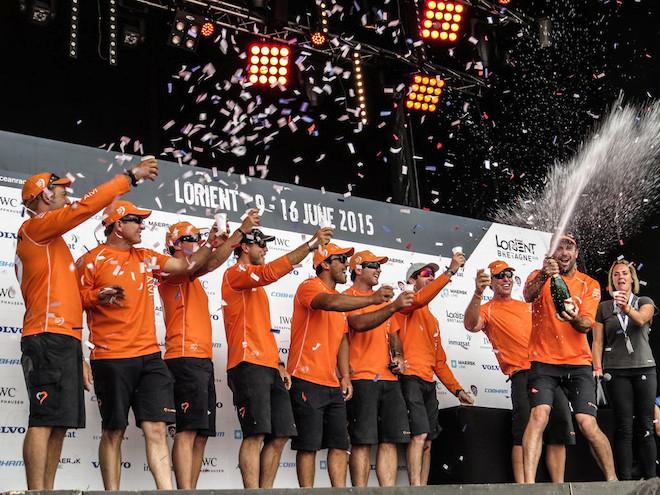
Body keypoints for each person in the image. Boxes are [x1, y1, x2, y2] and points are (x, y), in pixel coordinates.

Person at [15, 159, 158, 490]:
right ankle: (37, 492)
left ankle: (46, 490)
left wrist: (96, 297)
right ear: (43, 196)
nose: (67, 192)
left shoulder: (53, 242)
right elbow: (84, 208)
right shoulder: (36, 228)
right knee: (44, 419)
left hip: (63, 338)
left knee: (59, 422)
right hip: (45, 336)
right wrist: (129, 178)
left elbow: (69, 298)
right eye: (61, 188)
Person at [76, 200, 215, 490]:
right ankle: (112, 492)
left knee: (157, 428)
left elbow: (185, 264)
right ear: (118, 225)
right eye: (137, 220)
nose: (143, 226)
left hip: (150, 357)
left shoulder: (145, 257)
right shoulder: (89, 261)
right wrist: (96, 299)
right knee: (113, 430)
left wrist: (211, 244)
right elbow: (72, 305)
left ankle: (166, 491)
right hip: (110, 357)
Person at [222, 225, 333, 489]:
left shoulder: (256, 286)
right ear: (244, 247)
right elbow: (271, 271)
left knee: (281, 434)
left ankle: (265, 491)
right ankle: (252, 492)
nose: (265, 249)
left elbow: (262, 329)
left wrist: (279, 365)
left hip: (269, 366)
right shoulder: (234, 274)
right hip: (247, 363)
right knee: (255, 433)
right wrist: (310, 245)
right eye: (260, 243)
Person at [159, 210, 259, 489]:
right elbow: (208, 263)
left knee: (200, 433)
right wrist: (237, 233)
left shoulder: (193, 276)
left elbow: (210, 261)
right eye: (193, 238)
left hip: (201, 359)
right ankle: (184, 491)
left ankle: (190, 487)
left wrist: (220, 241)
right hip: (183, 357)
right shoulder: (171, 270)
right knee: (187, 430)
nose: (199, 241)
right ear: (177, 244)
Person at [288, 243, 394, 488]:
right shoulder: (309, 287)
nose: (346, 264)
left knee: (339, 444)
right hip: (305, 376)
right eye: (341, 260)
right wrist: (372, 297)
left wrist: (345, 376)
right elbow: (330, 303)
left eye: (347, 260)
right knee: (309, 445)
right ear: (324, 263)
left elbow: (342, 339)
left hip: (331, 382)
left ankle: (339, 492)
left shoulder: (342, 301)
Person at [463, 260, 575, 483]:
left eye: (508, 275)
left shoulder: (527, 305)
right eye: (500, 276)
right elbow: (471, 325)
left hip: (550, 372)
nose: (506, 279)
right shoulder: (487, 309)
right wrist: (477, 293)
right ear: (492, 282)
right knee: (523, 435)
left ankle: (559, 487)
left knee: (558, 433)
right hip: (522, 375)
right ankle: (524, 487)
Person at [521, 234, 616, 483]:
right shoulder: (537, 275)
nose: (564, 252)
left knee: (587, 424)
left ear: (576, 253)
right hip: (544, 361)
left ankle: (614, 481)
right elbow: (527, 296)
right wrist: (544, 274)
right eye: (559, 247)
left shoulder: (590, 284)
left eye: (569, 247)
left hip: (578, 363)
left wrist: (572, 317)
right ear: (552, 252)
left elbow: (586, 324)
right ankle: (529, 485)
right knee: (539, 415)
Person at [396, 253, 474, 486]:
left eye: (433, 274)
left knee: (428, 441)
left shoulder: (432, 320)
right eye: (426, 274)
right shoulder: (405, 303)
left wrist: (458, 391)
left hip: (427, 383)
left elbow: (439, 362)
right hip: (409, 379)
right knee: (419, 436)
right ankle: (414, 488)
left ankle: (424, 487)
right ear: (411, 281)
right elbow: (419, 300)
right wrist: (449, 272)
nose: (431, 277)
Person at [343, 251, 414, 487]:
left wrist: (400, 356)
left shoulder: (384, 303)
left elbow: (394, 336)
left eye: (380, 266)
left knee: (390, 440)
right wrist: (392, 306)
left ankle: (388, 492)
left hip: (389, 379)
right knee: (362, 441)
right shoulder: (348, 297)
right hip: (361, 377)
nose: (379, 270)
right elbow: (358, 324)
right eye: (374, 265)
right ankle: (360, 492)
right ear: (358, 269)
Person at [593, 259, 657, 479]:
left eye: (624, 274)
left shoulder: (644, 301)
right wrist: (597, 366)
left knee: (645, 423)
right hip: (616, 371)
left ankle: (651, 479)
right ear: (611, 281)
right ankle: (624, 482)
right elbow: (597, 342)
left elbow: (640, 321)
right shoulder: (603, 307)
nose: (620, 277)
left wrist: (626, 308)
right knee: (623, 426)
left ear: (632, 279)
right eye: (615, 275)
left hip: (644, 368)